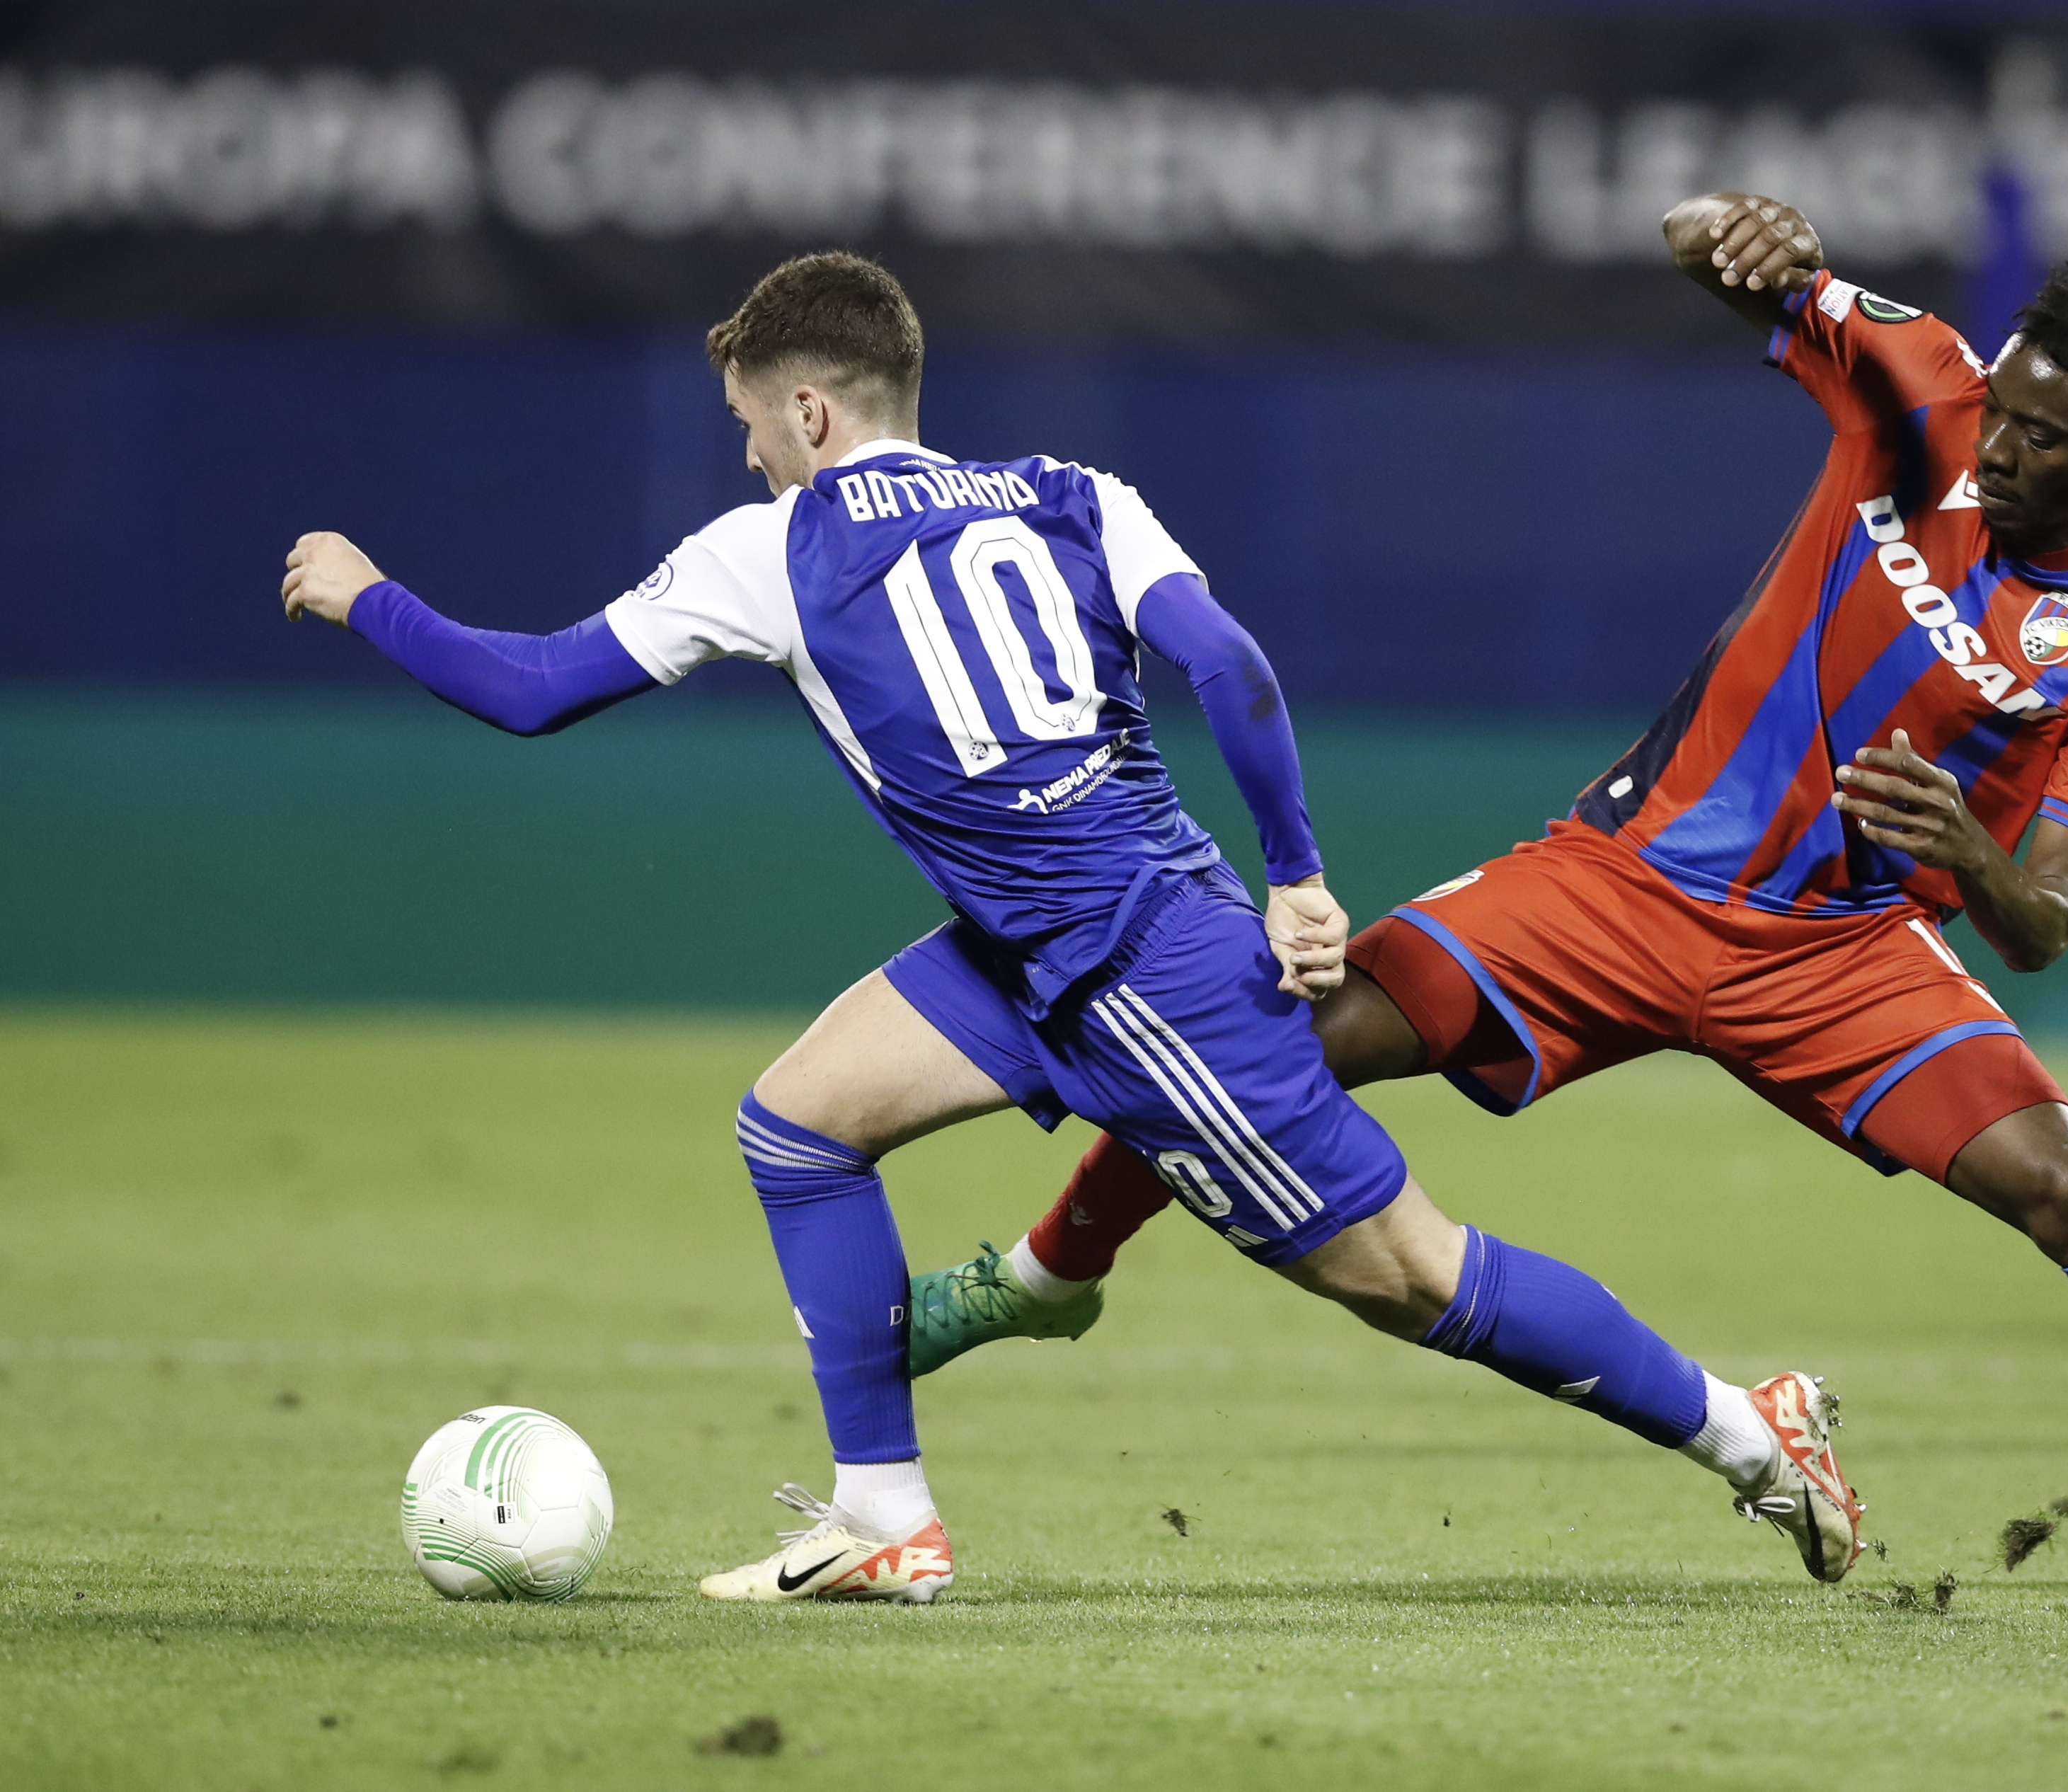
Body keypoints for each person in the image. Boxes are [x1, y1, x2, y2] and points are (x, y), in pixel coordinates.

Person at [280, 248, 1871, 1603]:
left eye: (752, 425)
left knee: (1409, 1277)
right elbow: (1232, 668)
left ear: (811, 410)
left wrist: (366, 596)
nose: (748, 455)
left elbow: (535, 689)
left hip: (1137, 976)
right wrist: (1299, 866)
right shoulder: (1076, 495)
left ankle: (1751, 1427)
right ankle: (884, 1521)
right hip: (1051, 944)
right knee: (798, 1125)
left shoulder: (771, 549)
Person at [912, 194, 2068, 1625]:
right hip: (1619, 884)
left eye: (2047, 438)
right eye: (2003, 410)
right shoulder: (1921, 386)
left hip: (1841, 953)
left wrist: (1969, 856)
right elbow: (1702, 242)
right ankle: (1051, 1277)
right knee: (1252, 1036)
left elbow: (2048, 919)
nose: (1999, 450)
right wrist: (1741, 227)